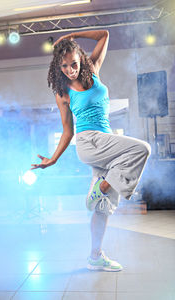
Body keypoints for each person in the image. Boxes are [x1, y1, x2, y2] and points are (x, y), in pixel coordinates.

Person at [31, 30, 151, 272]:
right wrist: (53, 159)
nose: (70, 70)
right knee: (142, 149)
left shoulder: (94, 69)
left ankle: (95, 256)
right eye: (64, 66)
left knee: (102, 207)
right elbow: (67, 131)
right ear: (58, 66)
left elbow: (105, 35)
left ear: (81, 59)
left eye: (73, 63)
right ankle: (104, 185)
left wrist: (72, 36)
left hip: (105, 141)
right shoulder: (63, 92)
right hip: (89, 143)